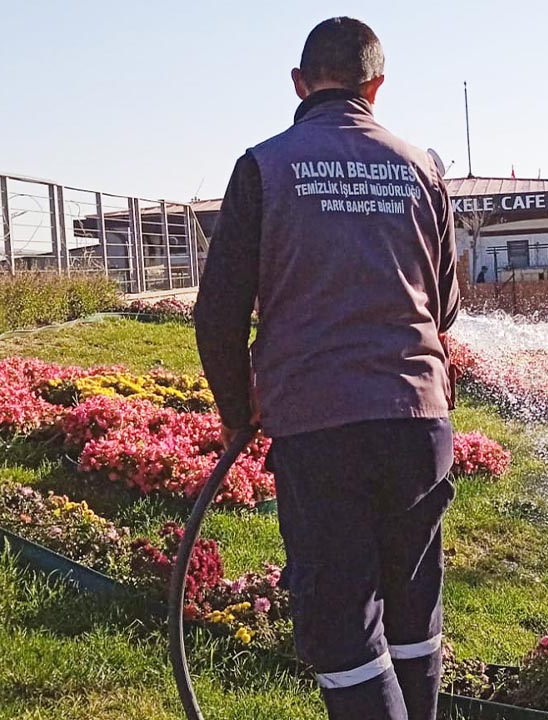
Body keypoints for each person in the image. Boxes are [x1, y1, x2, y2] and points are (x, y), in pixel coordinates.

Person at [194, 17, 459, 720]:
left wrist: (235, 413)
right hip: (418, 424)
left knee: (343, 625)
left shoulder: (263, 166)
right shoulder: (425, 168)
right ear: (376, 86)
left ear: (299, 83)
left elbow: (218, 314)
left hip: (320, 429)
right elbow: (445, 308)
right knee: (413, 609)